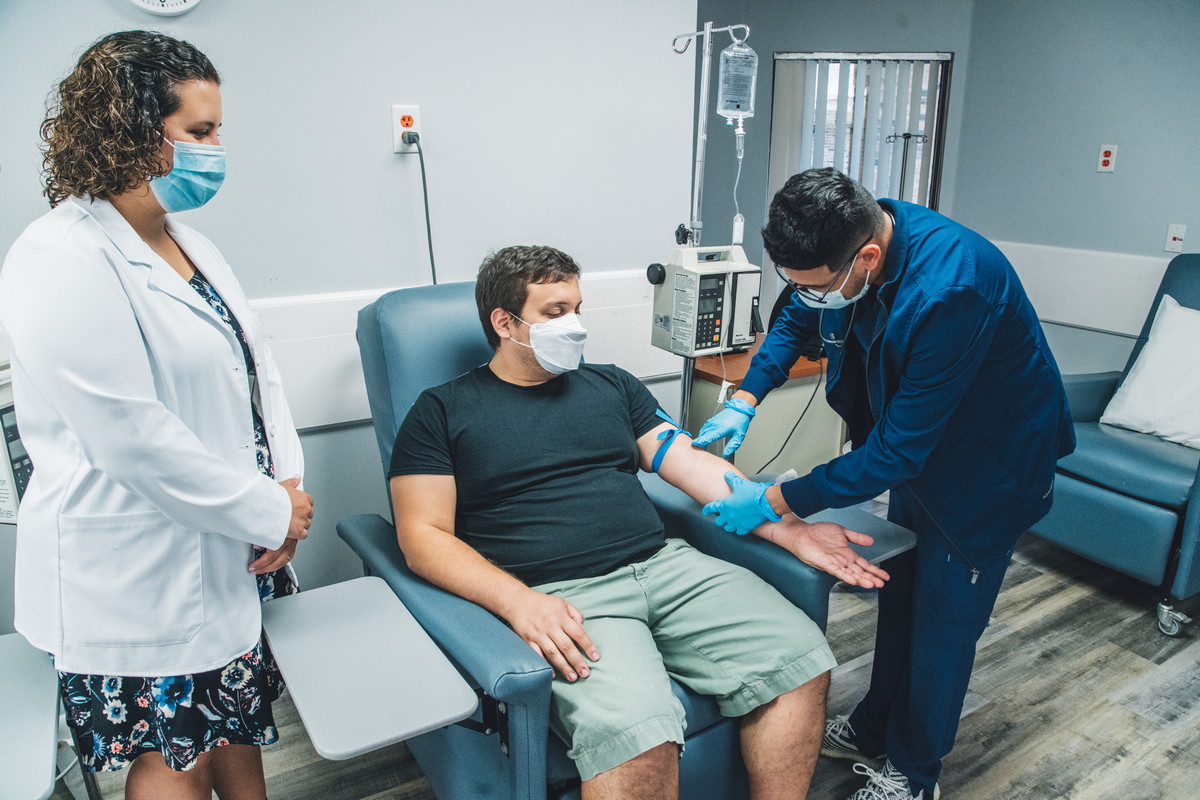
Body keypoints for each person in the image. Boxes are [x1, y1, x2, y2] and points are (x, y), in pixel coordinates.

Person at [389, 245, 892, 800]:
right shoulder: (441, 411)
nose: (575, 325)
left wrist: (785, 526)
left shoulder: (613, 385)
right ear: (505, 322)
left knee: (801, 658)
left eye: (578, 308)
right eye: (555, 313)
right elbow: (422, 536)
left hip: (666, 565)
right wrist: (517, 602)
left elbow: (691, 464)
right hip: (562, 595)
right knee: (639, 730)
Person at [694, 167, 1075, 800]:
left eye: (818, 286)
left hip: (985, 468)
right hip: (920, 453)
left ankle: (914, 770)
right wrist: (747, 397)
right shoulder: (852, 250)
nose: (808, 295)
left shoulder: (954, 287)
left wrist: (774, 499)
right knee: (900, 596)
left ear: (867, 257)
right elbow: (796, 319)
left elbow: (896, 451)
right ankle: (874, 725)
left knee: (944, 624)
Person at [0, 31, 313, 800]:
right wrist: (269, 510)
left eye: (217, 130)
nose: (216, 149)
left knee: (232, 724)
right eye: (200, 132)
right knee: (174, 755)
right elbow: (132, 439)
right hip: (133, 571)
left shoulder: (190, 243)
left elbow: (254, 367)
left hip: (229, 542)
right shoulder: (60, 256)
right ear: (136, 133)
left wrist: (287, 483)